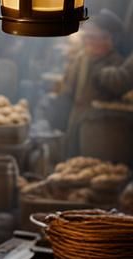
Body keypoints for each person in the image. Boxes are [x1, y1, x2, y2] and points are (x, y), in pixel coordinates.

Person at [49, 9, 125, 154]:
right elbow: (69, 87)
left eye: (95, 37)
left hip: (100, 124)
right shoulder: (82, 58)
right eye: (87, 37)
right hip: (76, 115)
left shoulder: (116, 63)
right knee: (71, 153)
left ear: (109, 39)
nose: (89, 42)